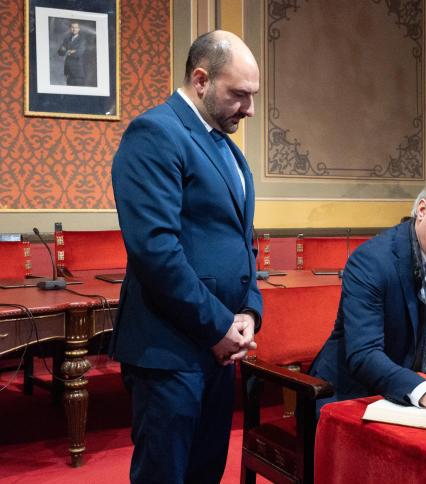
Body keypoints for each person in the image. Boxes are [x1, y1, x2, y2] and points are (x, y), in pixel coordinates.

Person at [110, 30, 262, 483]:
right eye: (239, 95)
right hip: (169, 350)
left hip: (217, 350)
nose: (249, 109)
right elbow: (155, 251)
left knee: (204, 472)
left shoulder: (227, 147)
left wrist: (249, 309)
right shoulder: (155, 132)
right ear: (201, 79)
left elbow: (241, 241)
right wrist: (218, 326)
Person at [310, 171, 426, 416]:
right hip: (353, 395)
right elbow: (364, 354)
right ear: (422, 209)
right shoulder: (371, 260)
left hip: (423, 390)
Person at [57, 21, 86, 86]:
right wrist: (69, 51)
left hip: (78, 72)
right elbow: (60, 52)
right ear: (70, 29)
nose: (74, 29)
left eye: (76, 27)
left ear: (79, 29)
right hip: (68, 71)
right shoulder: (67, 39)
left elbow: (79, 53)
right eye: (72, 27)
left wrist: (66, 51)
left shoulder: (82, 40)